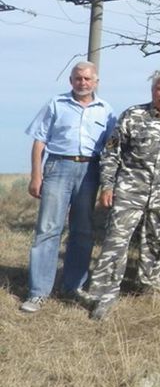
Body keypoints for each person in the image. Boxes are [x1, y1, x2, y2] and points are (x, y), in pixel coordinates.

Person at [87, 71, 160, 320]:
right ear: (152, 91)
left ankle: (152, 290)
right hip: (129, 192)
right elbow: (111, 153)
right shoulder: (133, 116)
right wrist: (107, 186)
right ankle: (103, 295)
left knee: (156, 244)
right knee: (116, 242)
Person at [20, 62, 115, 313]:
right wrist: (36, 175)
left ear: (96, 82)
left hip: (90, 170)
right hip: (58, 167)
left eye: (87, 79)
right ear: (71, 81)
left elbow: (112, 149)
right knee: (48, 229)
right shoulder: (56, 104)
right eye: (77, 78)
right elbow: (39, 142)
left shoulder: (106, 110)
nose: (82, 83)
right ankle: (38, 292)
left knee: (82, 231)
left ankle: (73, 287)